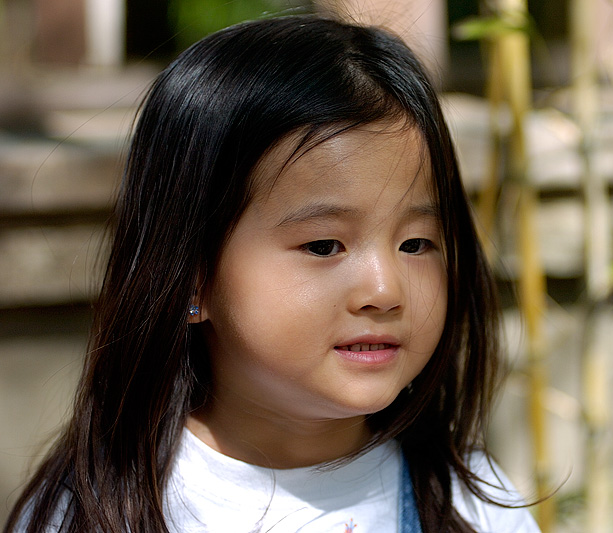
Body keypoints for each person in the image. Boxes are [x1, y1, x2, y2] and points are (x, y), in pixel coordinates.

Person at [4, 14, 540, 533]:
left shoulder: (472, 505)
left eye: (416, 243)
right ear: (191, 275)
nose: (385, 289)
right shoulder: (97, 514)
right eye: (325, 245)